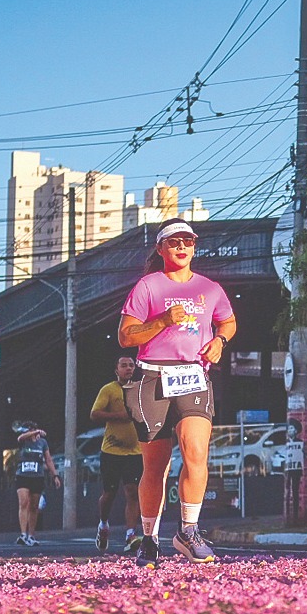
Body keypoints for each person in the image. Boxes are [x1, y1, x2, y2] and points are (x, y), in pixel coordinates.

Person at [117, 218, 236, 567]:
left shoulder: (210, 288)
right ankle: (150, 538)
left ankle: (188, 531)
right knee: (155, 466)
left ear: (194, 246)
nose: (182, 247)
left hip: (193, 376)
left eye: (188, 241)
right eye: (174, 242)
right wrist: (163, 321)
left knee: (196, 451)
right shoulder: (148, 286)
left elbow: (227, 320)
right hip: (152, 377)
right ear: (161, 249)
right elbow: (127, 337)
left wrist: (220, 340)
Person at [89, 355, 143, 552]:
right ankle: (103, 524)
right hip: (112, 450)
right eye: (124, 365)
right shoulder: (109, 389)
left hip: (135, 450)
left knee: (133, 492)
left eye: (131, 365)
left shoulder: (140, 389)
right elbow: (94, 414)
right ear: (116, 370)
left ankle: (131, 535)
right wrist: (119, 416)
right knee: (109, 493)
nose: (128, 368)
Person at [11, 420, 59, 546]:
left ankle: (31, 535)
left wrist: (55, 475)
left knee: (34, 506)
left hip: (37, 477)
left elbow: (48, 460)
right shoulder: (23, 441)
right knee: (23, 502)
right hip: (23, 475)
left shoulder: (42, 443)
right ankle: (23, 534)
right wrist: (36, 431)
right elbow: (20, 437)